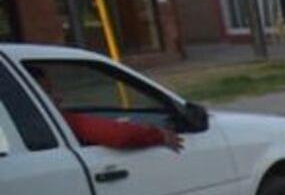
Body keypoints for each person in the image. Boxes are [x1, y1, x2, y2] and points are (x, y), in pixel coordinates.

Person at [26, 64, 182, 152]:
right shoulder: (51, 120)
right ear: (27, 96)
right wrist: (159, 135)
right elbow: (120, 135)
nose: (58, 97)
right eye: (47, 92)